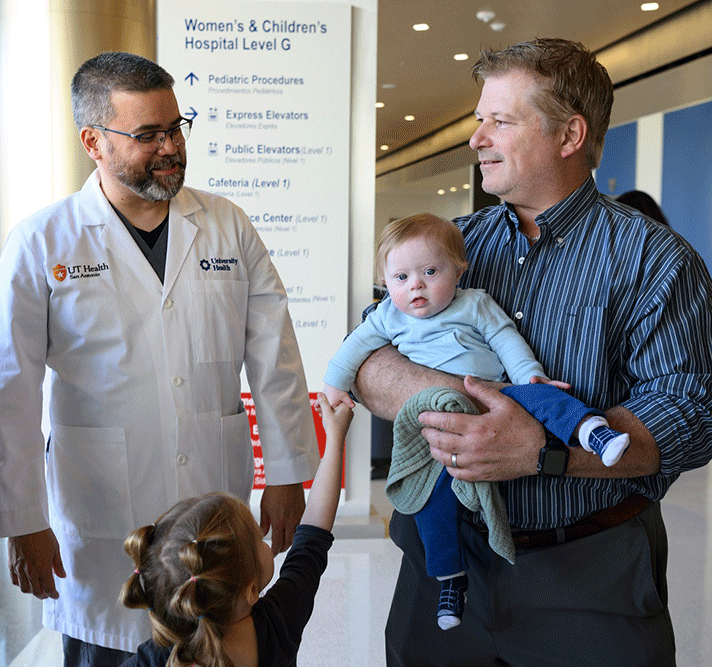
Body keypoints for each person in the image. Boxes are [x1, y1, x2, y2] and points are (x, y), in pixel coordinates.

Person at [354, 39, 712, 666]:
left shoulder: (659, 261)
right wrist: (452, 410)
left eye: (500, 120)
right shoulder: (453, 243)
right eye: (478, 118)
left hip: (590, 582)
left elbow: (690, 417)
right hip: (444, 571)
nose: (476, 138)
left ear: (569, 134)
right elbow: (367, 353)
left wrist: (541, 452)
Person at [0, 51, 318, 666]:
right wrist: (23, 518)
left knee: (218, 643)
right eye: (148, 134)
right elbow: (8, 390)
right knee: (111, 645)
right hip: (101, 512)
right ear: (93, 142)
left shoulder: (226, 226)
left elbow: (276, 357)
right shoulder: (43, 240)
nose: (170, 147)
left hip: (212, 501)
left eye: (176, 127)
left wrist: (287, 471)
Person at [323, 212, 628, 630]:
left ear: (458, 269)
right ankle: (450, 581)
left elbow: (507, 340)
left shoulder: (474, 303)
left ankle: (595, 433)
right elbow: (352, 350)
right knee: (433, 504)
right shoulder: (386, 318)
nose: (415, 285)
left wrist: (528, 377)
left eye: (430, 272)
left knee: (546, 396)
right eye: (400, 277)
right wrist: (335, 386)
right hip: (442, 423)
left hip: (497, 396)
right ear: (385, 281)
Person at [118, 394, 352, 667]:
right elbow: (312, 535)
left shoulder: (161, 656)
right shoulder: (279, 623)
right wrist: (335, 439)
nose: (266, 541)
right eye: (257, 535)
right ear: (252, 590)